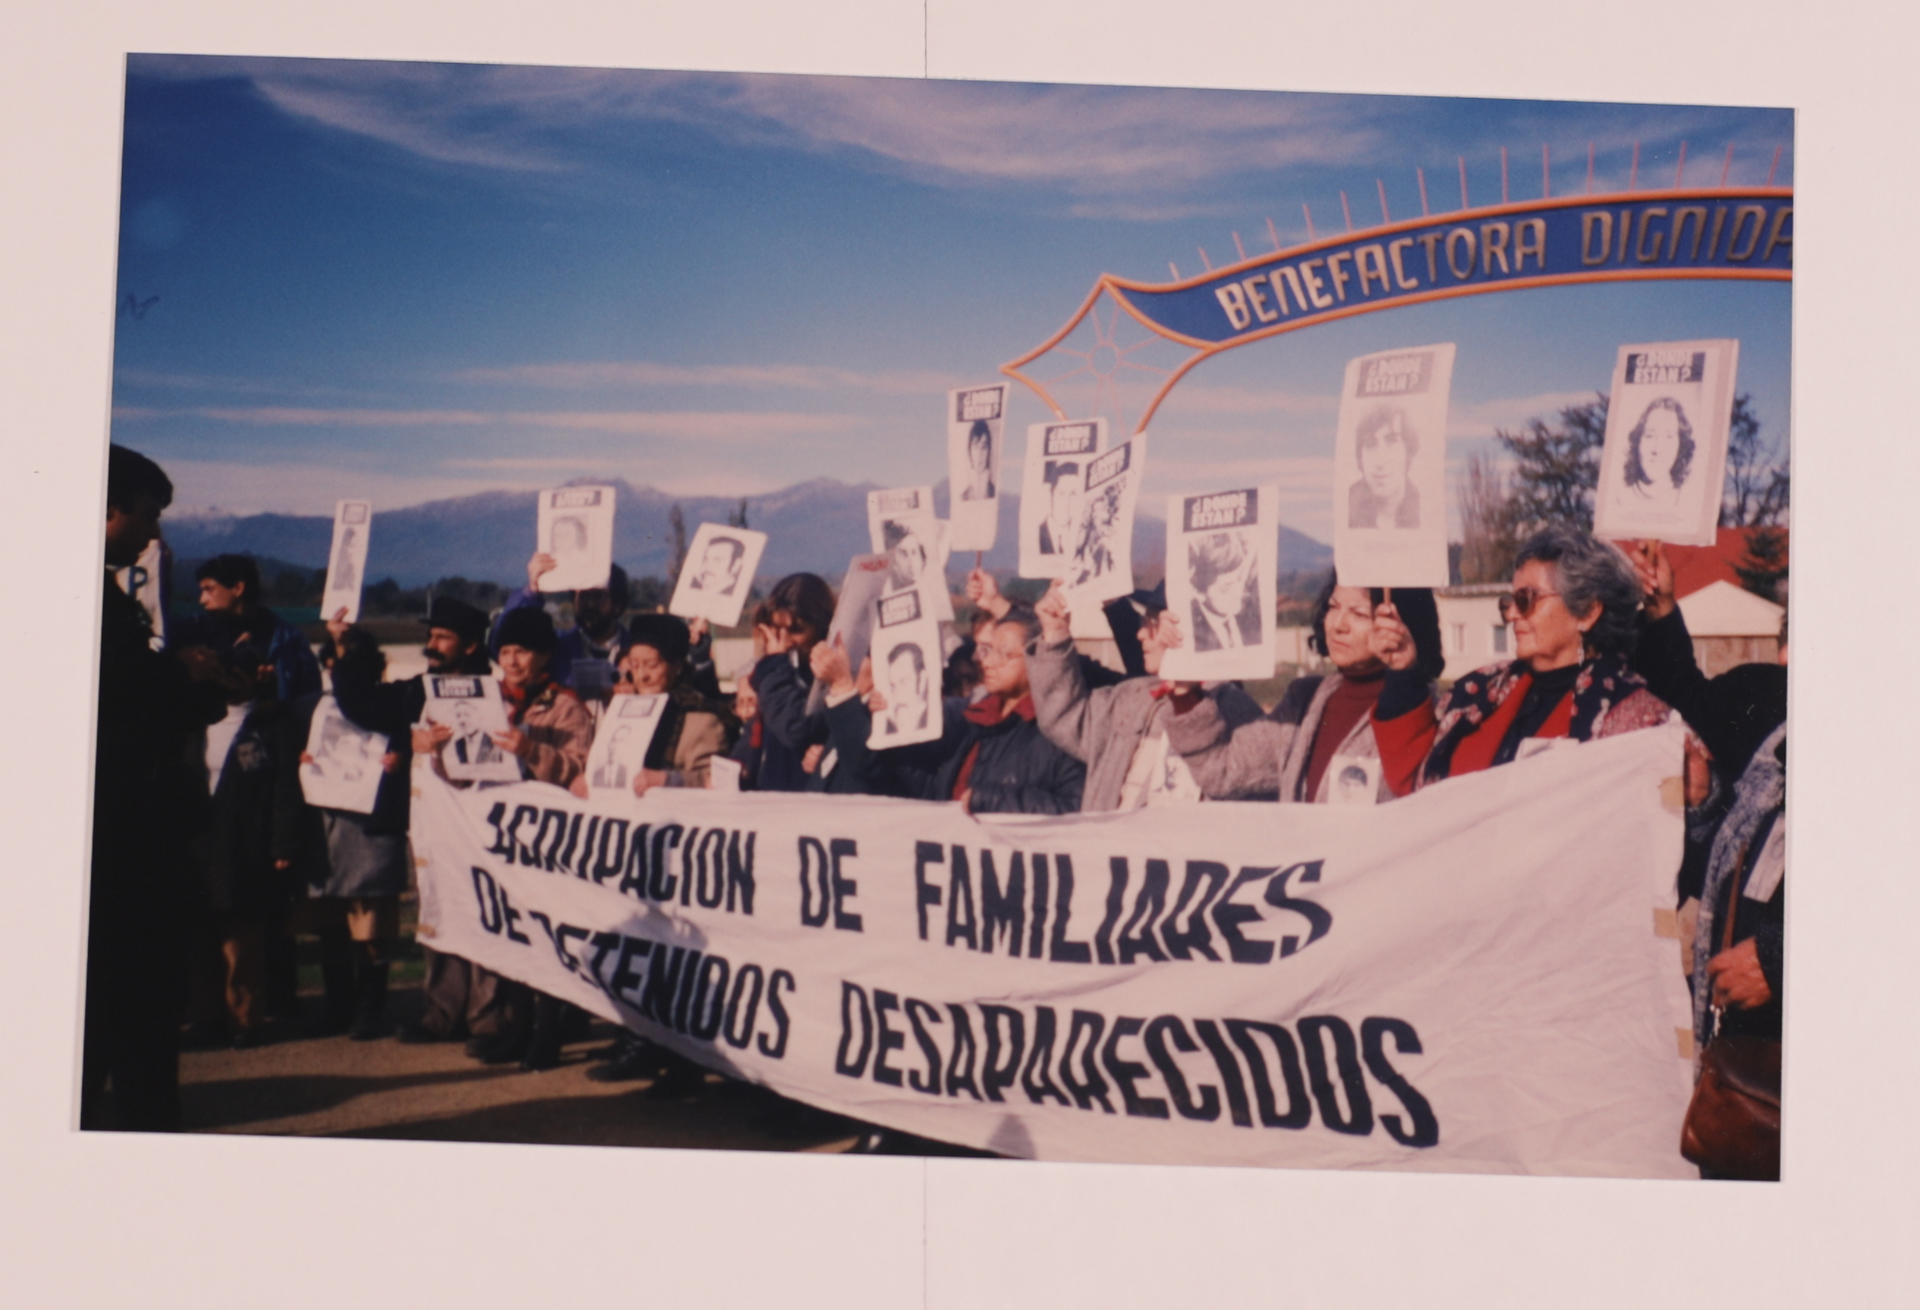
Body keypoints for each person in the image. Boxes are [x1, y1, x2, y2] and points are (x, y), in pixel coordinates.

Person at [84, 445, 226, 1130]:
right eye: (148, 515)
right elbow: (113, 702)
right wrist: (184, 680)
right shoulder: (82, 599)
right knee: (135, 1013)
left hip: (123, 838)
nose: (154, 534)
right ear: (108, 510)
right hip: (122, 845)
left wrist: (191, 687)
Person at [1370, 525, 1668, 793]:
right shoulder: (1477, 692)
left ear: (1588, 612)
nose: (1512, 615)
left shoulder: (1635, 713)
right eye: (1509, 603)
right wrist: (1402, 671)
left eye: (1527, 600)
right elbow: (1410, 781)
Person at [328, 595, 504, 1048]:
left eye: (442, 637)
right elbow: (363, 706)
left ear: (469, 645)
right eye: (430, 636)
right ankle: (442, 1012)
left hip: (485, 826)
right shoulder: (421, 689)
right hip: (433, 826)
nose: (432, 644)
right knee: (438, 914)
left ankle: (486, 1017)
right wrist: (345, 650)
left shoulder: (495, 689)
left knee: (486, 914)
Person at [1164, 577, 1444, 804]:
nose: (1338, 625)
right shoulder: (1304, 701)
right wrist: (1185, 691)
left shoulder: (1429, 713)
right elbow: (1222, 771)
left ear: (1401, 625)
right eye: (1333, 607)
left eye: (1359, 613)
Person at [275, 630, 407, 1041]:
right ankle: (338, 1004)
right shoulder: (305, 709)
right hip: (324, 827)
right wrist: (301, 760)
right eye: (332, 662)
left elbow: (415, 754)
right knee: (330, 922)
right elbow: (285, 772)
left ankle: (370, 1008)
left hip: (370, 827)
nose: (338, 669)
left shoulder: (393, 706)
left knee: (372, 926)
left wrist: (401, 762)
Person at [1027, 582, 1263, 812]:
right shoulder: (1132, 696)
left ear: (1186, 627)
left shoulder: (1235, 711)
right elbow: (1063, 719)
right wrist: (1056, 633)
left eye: (1152, 622)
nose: (1140, 633)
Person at [612, 613, 737, 793]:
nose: (642, 676)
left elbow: (716, 780)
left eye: (652, 665)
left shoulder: (700, 720)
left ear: (676, 667)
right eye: (635, 665)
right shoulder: (620, 715)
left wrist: (668, 780)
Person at [492, 552, 634, 704]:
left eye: (597, 596)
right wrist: (532, 591)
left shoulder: (637, 652)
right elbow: (502, 640)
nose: (589, 604)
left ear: (618, 606)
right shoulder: (557, 648)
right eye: (583, 596)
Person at [190, 553, 322, 705]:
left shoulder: (289, 641)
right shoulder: (195, 634)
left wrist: (270, 692)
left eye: (209, 589)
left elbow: (309, 698)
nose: (202, 600)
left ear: (238, 588)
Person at [747, 573, 837, 792]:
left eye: (796, 630)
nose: (785, 641)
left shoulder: (830, 671)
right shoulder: (779, 667)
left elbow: (794, 727)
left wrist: (774, 667)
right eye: (777, 628)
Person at [1347, 405, 1421, 530]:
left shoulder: (1424, 507)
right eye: (1370, 444)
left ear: (1408, 451)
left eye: (1392, 441)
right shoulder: (1349, 508)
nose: (1380, 460)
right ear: (1360, 457)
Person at [1187, 531, 1263, 651]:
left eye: (1239, 580)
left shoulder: (1250, 619)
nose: (1238, 592)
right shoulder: (1189, 627)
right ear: (1200, 593)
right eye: (1226, 588)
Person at [1623, 397, 1695, 507]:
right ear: (1637, 442)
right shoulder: (1619, 500)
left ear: (1681, 446)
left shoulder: (1688, 503)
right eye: (1650, 436)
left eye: (1669, 437)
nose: (1657, 449)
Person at [879, 642, 931, 735]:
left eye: (904, 682)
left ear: (922, 681)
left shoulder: (942, 719)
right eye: (893, 686)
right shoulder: (888, 727)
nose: (897, 697)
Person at [1036, 460, 1081, 556]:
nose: (1067, 502)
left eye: (1073, 494)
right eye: (1061, 493)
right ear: (1051, 495)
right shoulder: (1036, 534)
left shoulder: (1079, 538)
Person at [958, 418, 995, 501]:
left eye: (984, 447)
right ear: (969, 451)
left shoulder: (994, 491)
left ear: (989, 451)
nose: (979, 454)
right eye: (975, 447)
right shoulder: (963, 496)